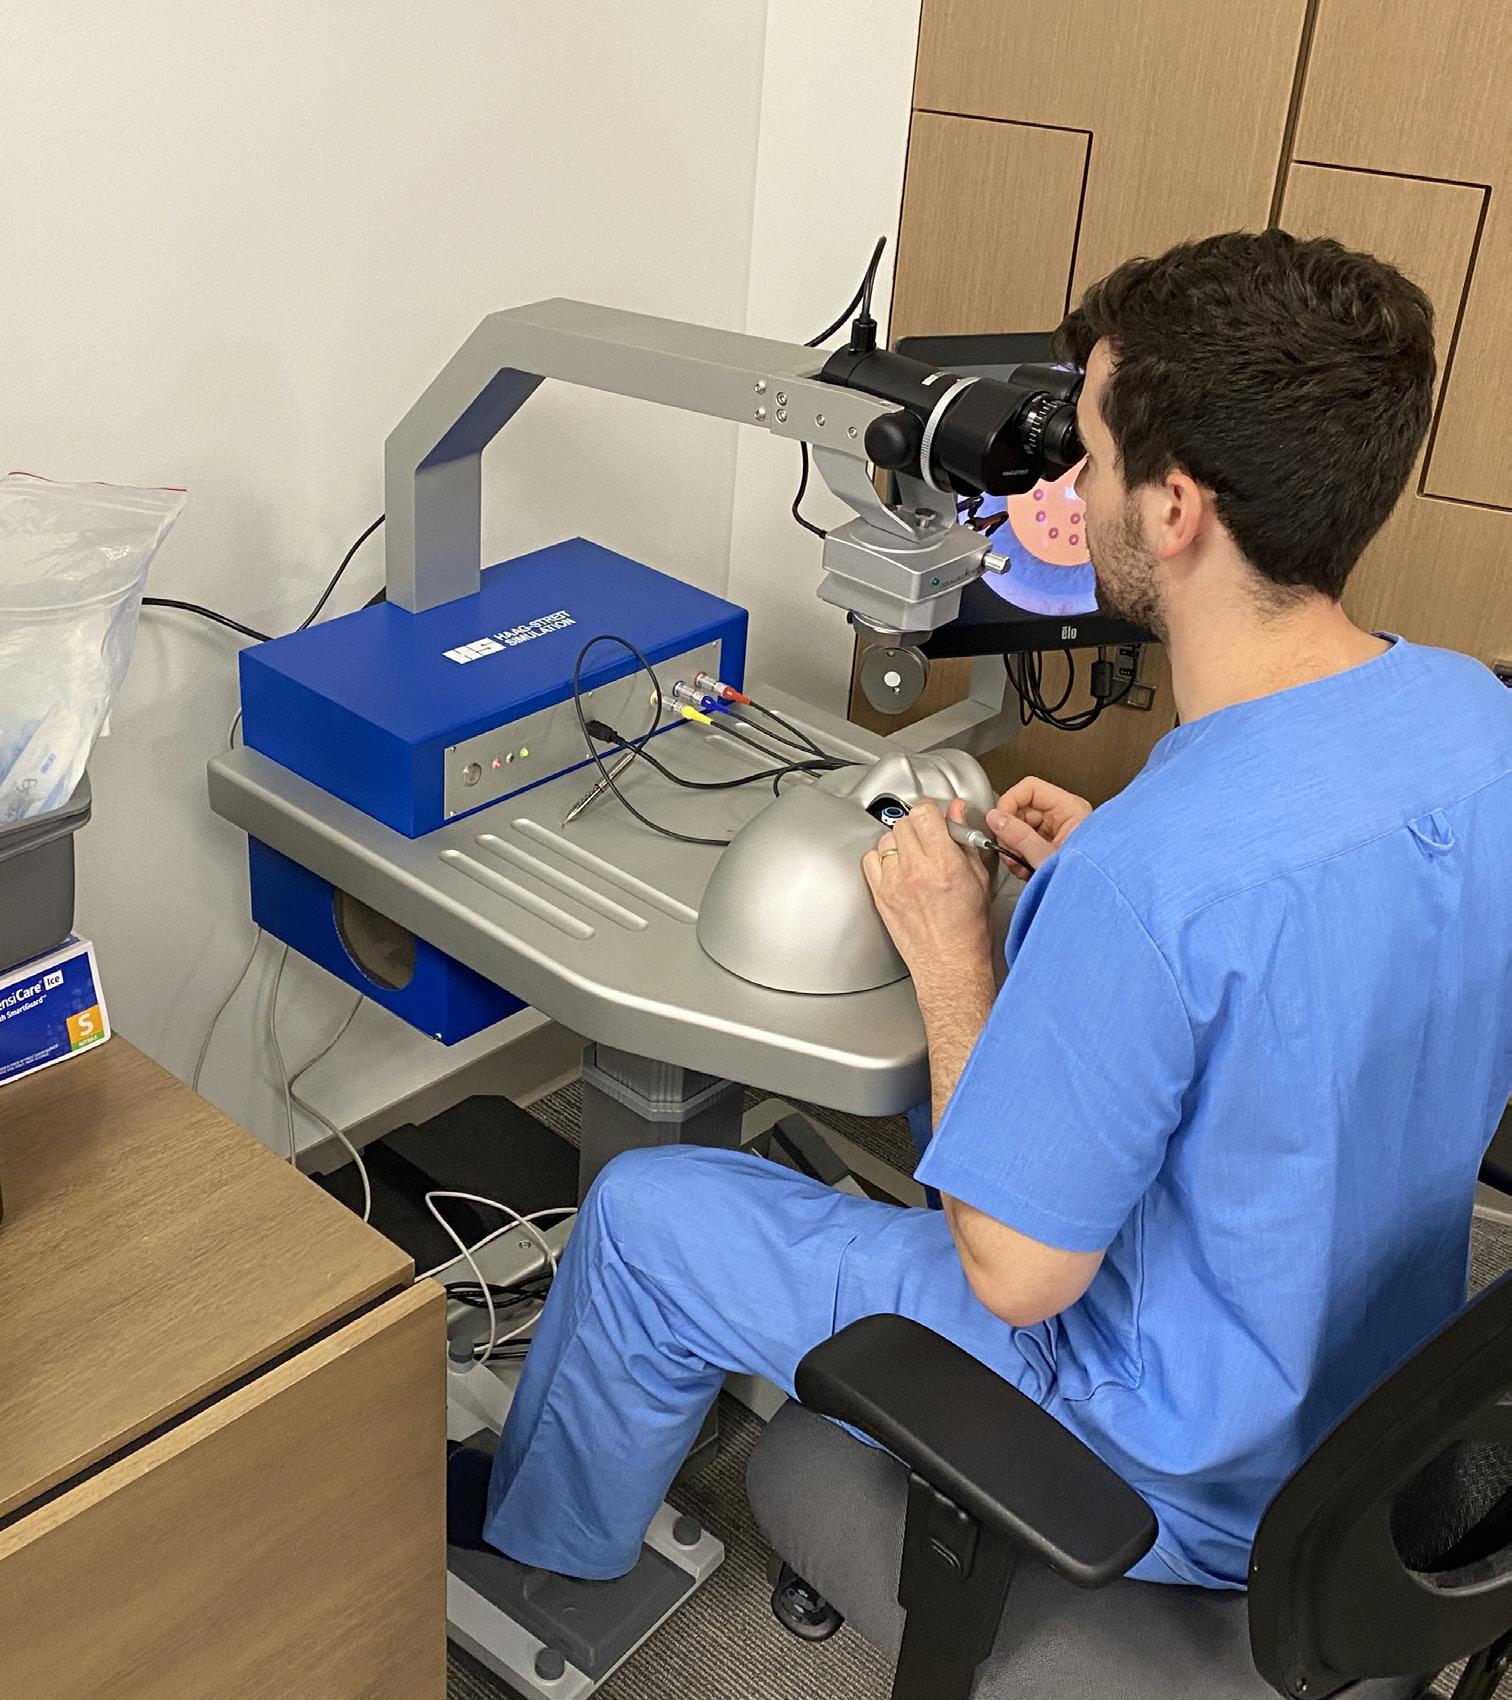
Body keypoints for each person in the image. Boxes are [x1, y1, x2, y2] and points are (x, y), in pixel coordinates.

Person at [470, 229, 1512, 1589]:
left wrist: (959, 951)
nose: (1069, 484)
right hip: (1371, 1398)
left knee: (647, 1216)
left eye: (1091, 454)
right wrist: (1105, 882)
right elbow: (1315, 959)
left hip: (1164, 1460)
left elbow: (1017, 1276)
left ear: (1176, 508)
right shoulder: (1475, 719)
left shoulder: (1155, 877)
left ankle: (540, 1565)